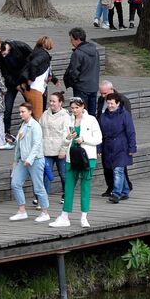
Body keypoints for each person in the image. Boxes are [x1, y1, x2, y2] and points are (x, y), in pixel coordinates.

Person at [49, 97, 102, 229]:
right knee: (68, 186)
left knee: (85, 187)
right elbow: (64, 140)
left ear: (82, 107)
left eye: (77, 108)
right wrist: (68, 138)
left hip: (87, 157)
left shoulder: (91, 120)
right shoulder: (69, 120)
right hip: (71, 157)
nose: (74, 110)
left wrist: (83, 139)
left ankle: (84, 217)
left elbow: (98, 138)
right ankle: (64, 216)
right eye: (72, 108)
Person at [8, 102, 50, 222]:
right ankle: (21, 210)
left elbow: (37, 144)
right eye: (20, 111)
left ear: (30, 112)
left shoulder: (35, 126)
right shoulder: (23, 125)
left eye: (23, 111)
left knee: (38, 187)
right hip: (22, 160)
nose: (21, 114)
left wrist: (30, 159)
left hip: (35, 160)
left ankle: (44, 212)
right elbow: (21, 142)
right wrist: (14, 142)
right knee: (15, 183)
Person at [98, 94, 138, 203]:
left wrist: (132, 147)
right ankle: (124, 191)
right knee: (116, 169)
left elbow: (131, 132)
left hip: (121, 146)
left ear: (118, 103)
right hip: (108, 146)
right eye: (108, 103)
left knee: (118, 170)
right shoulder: (103, 116)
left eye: (112, 103)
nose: (110, 105)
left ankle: (116, 194)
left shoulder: (125, 115)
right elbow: (99, 133)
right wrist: (99, 148)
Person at [64, 27, 102, 114]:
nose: (71, 42)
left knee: (79, 113)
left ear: (77, 39)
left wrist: (73, 82)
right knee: (91, 115)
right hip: (93, 86)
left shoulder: (78, 53)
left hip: (81, 87)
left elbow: (74, 72)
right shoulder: (95, 51)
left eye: (72, 39)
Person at [41, 92, 71, 196]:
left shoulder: (66, 116)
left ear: (60, 103)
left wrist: (63, 150)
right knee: (46, 174)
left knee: (63, 174)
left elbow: (67, 134)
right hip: (46, 149)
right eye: (50, 101)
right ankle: (43, 197)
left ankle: (66, 194)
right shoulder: (45, 114)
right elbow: (40, 130)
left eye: (54, 101)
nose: (51, 103)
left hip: (60, 151)